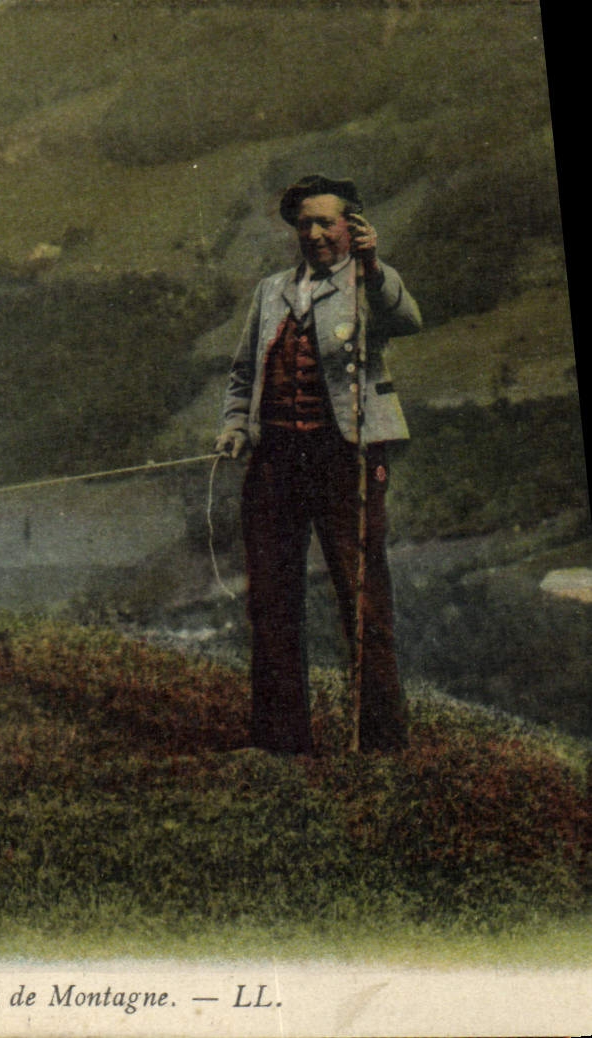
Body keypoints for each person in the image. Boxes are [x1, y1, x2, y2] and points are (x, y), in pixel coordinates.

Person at [215, 174, 422, 755]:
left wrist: (374, 265)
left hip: (346, 460)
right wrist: (235, 426)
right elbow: (242, 374)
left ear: (350, 228)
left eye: (326, 222)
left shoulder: (371, 284)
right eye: (304, 223)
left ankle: (381, 743)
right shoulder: (272, 290)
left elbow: (408, 320)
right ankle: (281, 741)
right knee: (271, 598)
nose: (314, 233)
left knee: (363, 599)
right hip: (276, 460)